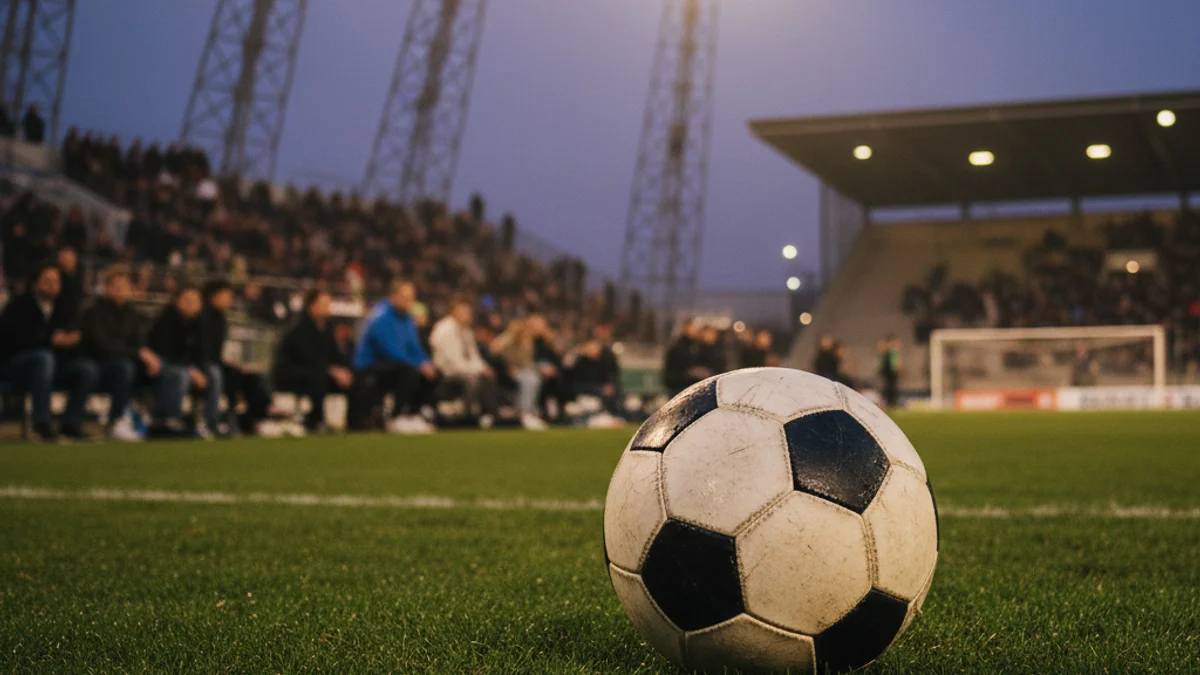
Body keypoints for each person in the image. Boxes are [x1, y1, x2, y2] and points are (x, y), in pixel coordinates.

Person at [0, 264, 95, 441]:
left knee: (86, 370)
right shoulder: (18, 305)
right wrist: (49, 340)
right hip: (16, 365)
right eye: (47, 281)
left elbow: (72, 334)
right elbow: (11, 340)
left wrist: (72, 340)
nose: (52, 286)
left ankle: (71, 425)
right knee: (44, 358)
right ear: (35, 283)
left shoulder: (63, 307)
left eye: (56, 281)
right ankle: (41, 423)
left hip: (54, 364)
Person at [351, 279, 438, 434]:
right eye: (406, 297)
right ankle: (396, 417)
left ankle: (415, 414)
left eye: (411, 297)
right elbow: (390, 351)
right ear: (393, 297)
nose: (409, 301)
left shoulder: (408, 317)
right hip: (370, 367)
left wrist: (425, 363)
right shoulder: (380, 317)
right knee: (409, 371)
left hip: (397, 365)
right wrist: (418, 365)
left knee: (434, 373)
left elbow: (414, 347)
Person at [78, 266, 150, 441]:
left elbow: (139, 343)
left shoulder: (132, 314)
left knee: (153, 367)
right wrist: (136, 353)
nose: (120, 291)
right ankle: (116, 420)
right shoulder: (94, 312)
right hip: (97, 363)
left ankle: (151, 420)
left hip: (125, 363)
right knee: (125, 368)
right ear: (106, 288)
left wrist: (145, 356)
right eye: (116, 286)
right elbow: (103, 346)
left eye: (124, 286)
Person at [273, 290, 353, 432]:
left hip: (320, 370)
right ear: (312, 305)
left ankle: (354, 423)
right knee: (318, 378)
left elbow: (334, 355)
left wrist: (344, 370)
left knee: (353, 378)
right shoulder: (299, 328)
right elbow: (307, 357)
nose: (328, 307)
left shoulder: (327, 327)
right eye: (324, 304)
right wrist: (332, 371)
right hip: (293, 373)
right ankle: (316, 421)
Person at [201, 281, 271, 435]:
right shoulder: (202, 317)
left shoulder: (221, 319)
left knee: (254, 379)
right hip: (204, 365)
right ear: (213, 296)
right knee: (219, 375)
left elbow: (216, 353)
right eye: (226, 296)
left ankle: (248, 420)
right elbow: (203, 352)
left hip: (217, 363)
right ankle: (215, 422)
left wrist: (232, 364)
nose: (229, 300)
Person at [144, 285, 207, 434]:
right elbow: (167, 351)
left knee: (213, 374)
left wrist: (198, 369)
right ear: (176, 301)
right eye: (186, 300)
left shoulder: (199, 323)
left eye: (194, 301)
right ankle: (170, 419)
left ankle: (207, 422)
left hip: (184, 364)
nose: (190, 304)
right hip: (162, 362)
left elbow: (201, 352)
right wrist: (191, 369)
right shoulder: (166, 319)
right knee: (180, 374)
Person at [429, 295, 499, 426]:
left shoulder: (466, 331)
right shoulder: (445, 330)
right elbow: (455, 362)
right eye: (464, 311)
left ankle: (491, 415)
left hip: (465, 370)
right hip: (447, 372)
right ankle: (467, 417)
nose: (468, 314)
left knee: (488, 376)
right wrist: (478, 370)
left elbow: (474, 357)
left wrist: (483, 368)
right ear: (454, 311)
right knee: (473, 379)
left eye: (468, 311)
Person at [491, 317, 549, 430]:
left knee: (534, 377)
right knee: (530, 379)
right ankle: (525, 414)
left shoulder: (527, 341)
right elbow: (495, 348)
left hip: (525, 370)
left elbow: (527, 362)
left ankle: (531, 412)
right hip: (508, 373)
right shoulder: (507, 340)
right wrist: (511, 334)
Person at [569, 323, 622, 415]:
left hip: (604, 392)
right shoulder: (579, 360)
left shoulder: (607, 357)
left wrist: (610, 387)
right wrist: (600, 389)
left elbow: (613, 377)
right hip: (586, 392)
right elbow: (575, 384)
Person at [663, 320, 710, 397]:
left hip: (690, 387)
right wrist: (689, 374)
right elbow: (671, 372)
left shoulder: (696, 347)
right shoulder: (677, 348)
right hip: (679, 388)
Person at [878, 334, 902, 408]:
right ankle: (890, 402)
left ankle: (892, 402)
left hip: (890, 371)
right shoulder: (889, 351)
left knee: (891, 387)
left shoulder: (891, 351)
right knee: (890, 387)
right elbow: (894, 362)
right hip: (889, 371)